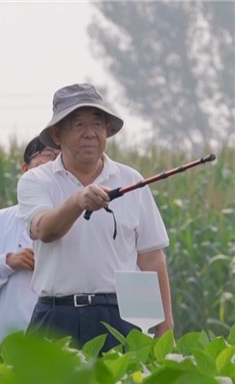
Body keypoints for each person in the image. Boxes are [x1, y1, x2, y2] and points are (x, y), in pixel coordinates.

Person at [17, 83, 174, 352]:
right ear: (57, 133)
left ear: (107, 131)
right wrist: (78, 201)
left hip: (121, 317)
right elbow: (45, 229)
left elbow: (151, 257)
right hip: (56, 315)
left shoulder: (131, 180)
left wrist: (165, 327)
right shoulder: (36, 180)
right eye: (78, 125)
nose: (90, 133)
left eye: (98, 124)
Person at [0, 137, 59, 347]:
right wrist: (7, 263)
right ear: (25, 170)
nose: (51, 174)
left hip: (63, 349)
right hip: (6, 348)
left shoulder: (85, 221)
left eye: (59, 167)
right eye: (45, 164)